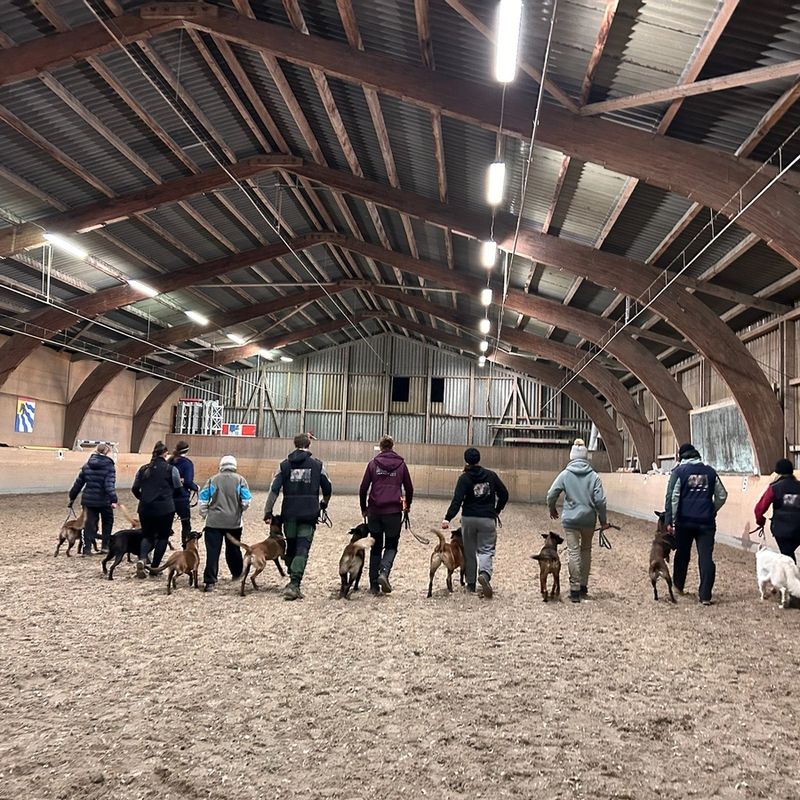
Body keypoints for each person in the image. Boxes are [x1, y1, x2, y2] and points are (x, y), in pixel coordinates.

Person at [263, 433, 332, 600]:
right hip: (309, 513)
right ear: (309, 445)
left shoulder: (284, 465)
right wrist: (324, 502)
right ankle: (294, 583)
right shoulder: (317, 465)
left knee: (291, 546)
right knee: (302, 548)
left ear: (295, 444)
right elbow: (328, 487)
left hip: (289, 513)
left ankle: (292, 570)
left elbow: (274, 490)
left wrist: (268, 511)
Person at [546, 438, 610, 603]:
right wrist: (603, 521)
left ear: (572, 456)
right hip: (589, 520)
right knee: (586, 551)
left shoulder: (565, 474)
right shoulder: (594, 476)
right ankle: (583, 586)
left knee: (574, 552)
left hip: (571, 520)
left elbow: (551, 493)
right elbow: (601, 501)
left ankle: (574, 590)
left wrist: (552, 508)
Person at [664, 442, 728, 605]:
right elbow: (722, 495)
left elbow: (673, 498)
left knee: (682, 553)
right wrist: (712, 509)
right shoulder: (710, 472)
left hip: (685, 521)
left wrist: (670, 520)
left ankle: (678, 585)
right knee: (706, 557)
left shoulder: (679, 472)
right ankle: (705, 595)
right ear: (697, 455)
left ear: (681, 456)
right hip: (706, 522)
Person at [442, 447, 508, 598]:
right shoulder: (491, 475)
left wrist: (448, 517)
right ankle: (484, 574)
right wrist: (497, 510)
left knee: (469, 552)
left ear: (466, 460)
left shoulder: (464, 478)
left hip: (469, 518)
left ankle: (470, 584)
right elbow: (504, 494)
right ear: (479, 459)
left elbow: (457, 500)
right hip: (487, 518)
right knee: (486, 549)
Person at [359, 435, 414, 595]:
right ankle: (384, 571)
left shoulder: (373, 464)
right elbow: (409, 488)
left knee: (375, 547)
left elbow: (363, 488)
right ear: (392, 446)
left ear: (381, 447)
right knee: (391, 545)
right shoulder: (401, 465)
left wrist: (364, 508)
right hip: (393, 512)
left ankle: (374, 585)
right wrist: (407, 506)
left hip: (375, 511)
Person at [198, 455, 252, 592]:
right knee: (233, 549)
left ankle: (210, 581)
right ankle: (237, 573)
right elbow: (246, 500)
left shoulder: (213, 479)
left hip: (213, 522)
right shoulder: (240, 480)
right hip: (233, 523)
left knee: (212, 552)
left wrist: (204, 514)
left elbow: (203, 498)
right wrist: (239, 510)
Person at [132, 441, 182, 578]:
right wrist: (170, 499)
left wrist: (143, 499)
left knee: (147, 536)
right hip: (165, 508)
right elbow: (178, 488)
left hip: (145, 508)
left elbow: (135, 489)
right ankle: (154, 567)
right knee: (162, 537)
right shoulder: (171, 469)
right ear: (165, 453)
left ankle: (142, 559)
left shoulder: (143, 469)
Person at [68, 442, 118, 556]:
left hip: (88, 500)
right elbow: (108, 485)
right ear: (107, 453)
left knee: (89, 524)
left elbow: (78, 484)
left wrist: (72, 497)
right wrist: (113, 499)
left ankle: (87, 549)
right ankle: (105, 546)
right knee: (107, 522)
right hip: (104, 500)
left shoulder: (87, 465)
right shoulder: (109, 466)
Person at [754, 458, 800, 563]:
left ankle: (790, 577)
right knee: (789, 555)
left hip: (782, 529)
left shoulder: (774, 488)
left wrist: (761, 522)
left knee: (787, 556)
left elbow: (759, 509)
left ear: (778, 472)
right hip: (798, 528)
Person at [169, 440, 199, 547]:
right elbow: (188, 481)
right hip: (181, 498)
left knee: (166, 525)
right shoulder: (187, 463)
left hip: (168, 498)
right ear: (187, 450)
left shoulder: (170, 461)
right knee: (185, 524)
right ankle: (185, 547)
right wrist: (196, 487)